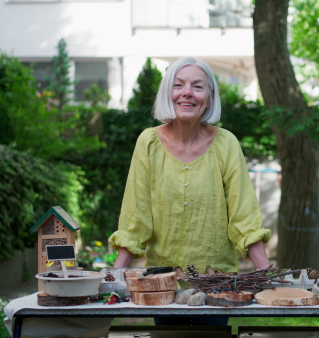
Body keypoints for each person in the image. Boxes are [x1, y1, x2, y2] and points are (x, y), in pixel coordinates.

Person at [108, 57, 271, 324]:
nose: (187, 93)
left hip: (216, 285)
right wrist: (114, 279)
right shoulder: (148, 142)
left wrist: (266, 273)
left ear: (209, 97)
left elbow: (244, 216)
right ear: (167, 93)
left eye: (197, 86)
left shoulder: (226, 143)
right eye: (178, 85)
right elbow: (136, 214)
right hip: (163, 286)